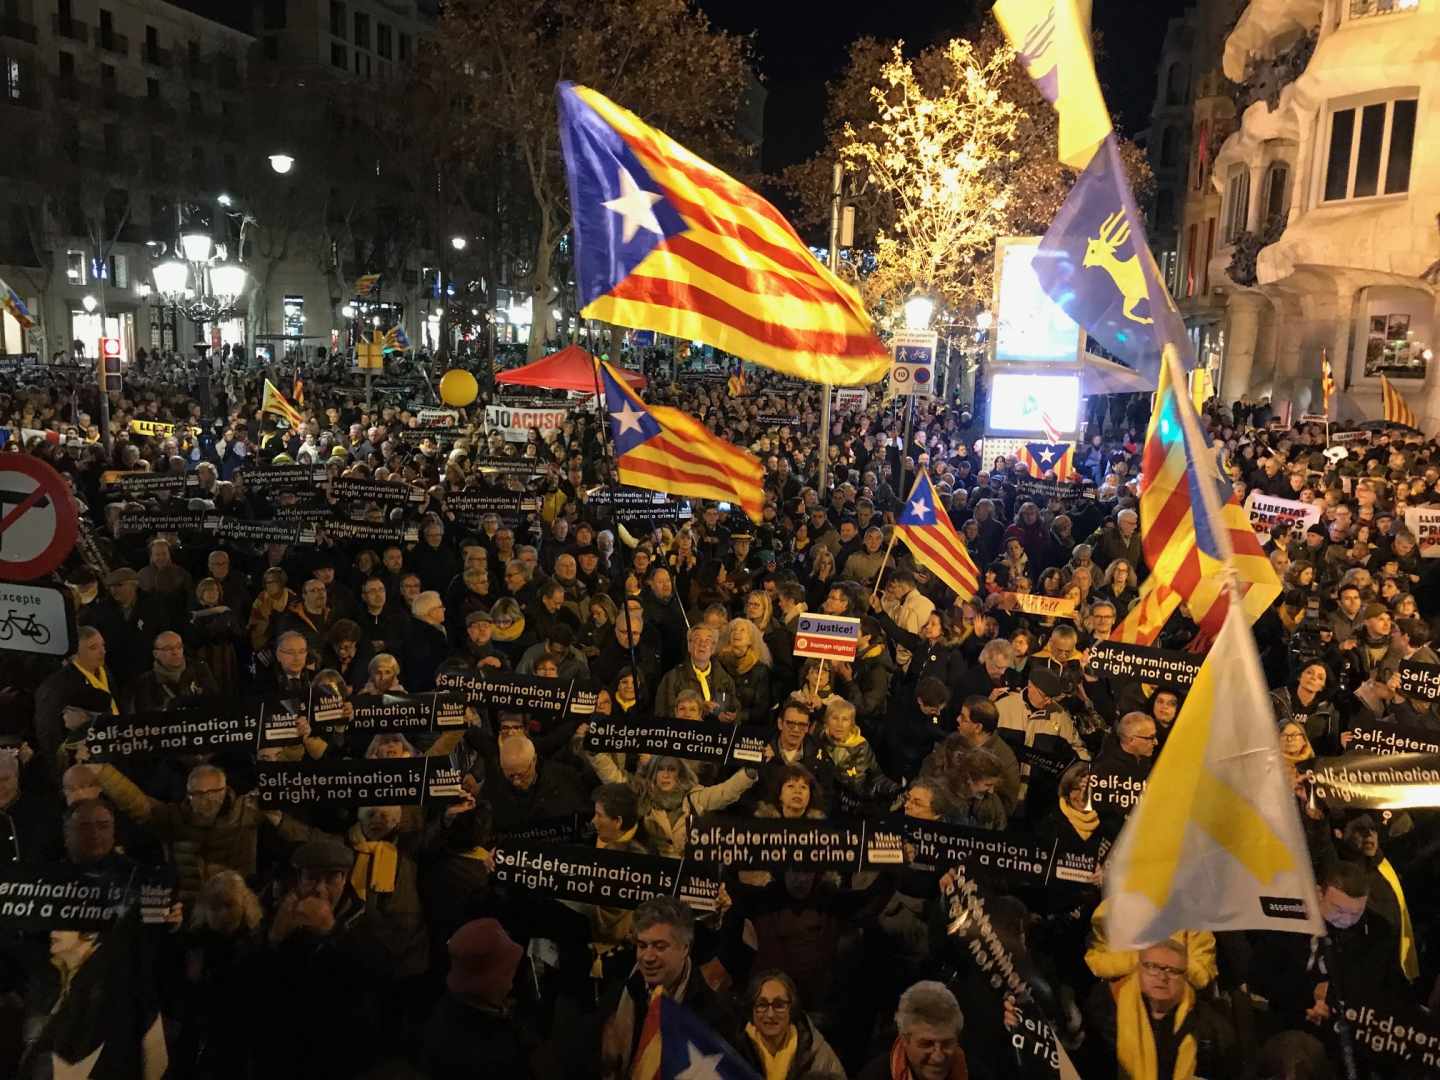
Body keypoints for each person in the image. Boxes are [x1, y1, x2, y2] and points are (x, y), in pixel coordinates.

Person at [601, 897, 739, 1080]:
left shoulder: (716, 1015)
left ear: (684, 948)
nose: (648, 957)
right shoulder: (615, 997)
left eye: (660, 946)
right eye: (642, 946)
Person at [422, 918, 533, 1077]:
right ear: (492, 982)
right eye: (509, 970)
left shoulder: (451, 1004)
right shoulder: (492, 1055)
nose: (512, 979)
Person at [739, 970, 847, 1079]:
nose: (770, 1014)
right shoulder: (737, 1046)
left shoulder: (817, 1054)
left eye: (779, 1005)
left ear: (792, 1008)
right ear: (751, 1009)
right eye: (762, 1005)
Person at [857, 979, 968, 1080]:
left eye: (947, 1044)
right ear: (905, 1040)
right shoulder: (874, 1076)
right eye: (926, 1044)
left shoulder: (976, 1074)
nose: (938, 1058)